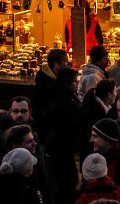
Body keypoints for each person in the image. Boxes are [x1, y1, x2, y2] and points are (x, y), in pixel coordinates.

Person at [45, 66, 83, 204]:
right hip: (63, 145)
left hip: (60, 145)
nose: (76, 84)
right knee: (67, 180)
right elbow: (71, 121)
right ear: (67, 83)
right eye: (74, 81)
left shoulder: (58, 94)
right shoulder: (65, 100)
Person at [33, 48, 72, 137]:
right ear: (57, 65)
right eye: (65, 61)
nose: (68, 64)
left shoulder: (56, 79)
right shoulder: (45, 85)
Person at [81, 79, 117, 155]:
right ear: (109, 95)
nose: (116, 94)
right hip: (92, 153)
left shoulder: (98, 107)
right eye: (115, 91)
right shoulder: (94, 111)